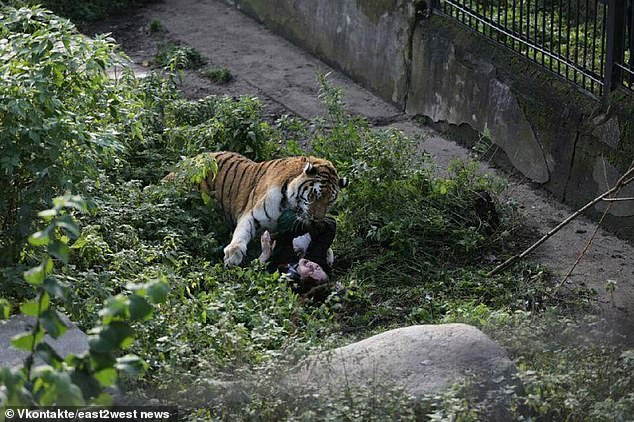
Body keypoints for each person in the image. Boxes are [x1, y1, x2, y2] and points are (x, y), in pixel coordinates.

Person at [258, 213, 336, 298]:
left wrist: (265, 255)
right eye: (317, 267)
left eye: (310, 272)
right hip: (286, 224)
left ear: (301, 281)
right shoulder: (315, 258)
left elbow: (255, 277)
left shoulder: (281, 278)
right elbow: (330, 224)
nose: (311, 265)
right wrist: (301, 229)